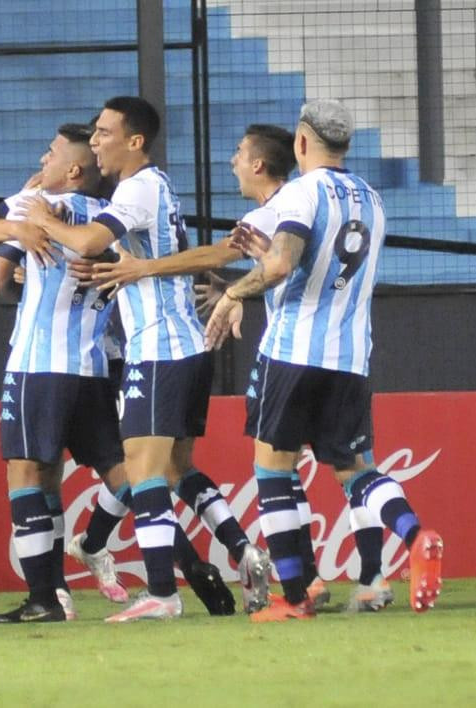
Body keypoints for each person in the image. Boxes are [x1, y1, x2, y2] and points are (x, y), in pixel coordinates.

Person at [85, 123, 390, 610]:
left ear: (258, 164)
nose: (231, 161)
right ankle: (315, 572)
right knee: (224, 468)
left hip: (267, 353)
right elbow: (240, 257)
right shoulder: (305, 203)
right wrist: (226, 285)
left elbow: (259, 261)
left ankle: (173, 590)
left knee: (182, 468)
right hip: (338, 353)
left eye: (237, 153)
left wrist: (159, 271)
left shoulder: (286, 204)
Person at [22, 96, 269, 622]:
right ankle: (243, 550)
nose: (95, 141)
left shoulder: (136, 188)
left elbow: (89, 239)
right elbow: (136, 250)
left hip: (159, 348)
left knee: (143, 469)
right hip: (185, 344)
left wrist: (46, 220)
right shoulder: (155, 186)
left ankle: (162, 591)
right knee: (178, 467)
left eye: (105, 132)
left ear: (135, 141)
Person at [204, 100, 443, 621]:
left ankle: (297, 596)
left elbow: (284, 262)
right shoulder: (373, 199)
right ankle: (416, 535)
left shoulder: (302, 191)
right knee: (356, 472)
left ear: (302, 142)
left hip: (293, 351)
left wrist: (233, 294)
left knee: (273, 468)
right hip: (351, 355)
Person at [0, 123, 132, 623]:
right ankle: (95, 544)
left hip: (39, 366)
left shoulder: (37, 202)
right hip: (93, 366)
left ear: (73, 170)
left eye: (53, 153)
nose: (43, 159)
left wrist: (18, 228)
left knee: (27, 471)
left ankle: (45, 597)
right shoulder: (108, 219)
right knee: (127, 471)